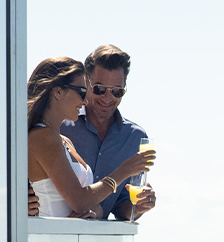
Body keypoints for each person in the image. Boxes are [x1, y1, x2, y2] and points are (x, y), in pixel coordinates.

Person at [27, 57, 154, 218]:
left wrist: (93, 212)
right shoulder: (43, 137)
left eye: (117, 91)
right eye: (82, 92)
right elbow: (80, 201)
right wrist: (125, 170)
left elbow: (93, 205)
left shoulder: (65, 140)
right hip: (50, 241)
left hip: (72, 239)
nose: (86, 100)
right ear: (58, 92)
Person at [59, 44, 158, 220]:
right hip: (51, 239)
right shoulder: (62, 124)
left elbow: (121, 208)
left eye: (117, 92)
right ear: (85, 81)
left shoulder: (135, 138)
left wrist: (140, 206)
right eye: (100, 89)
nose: (107, 98)